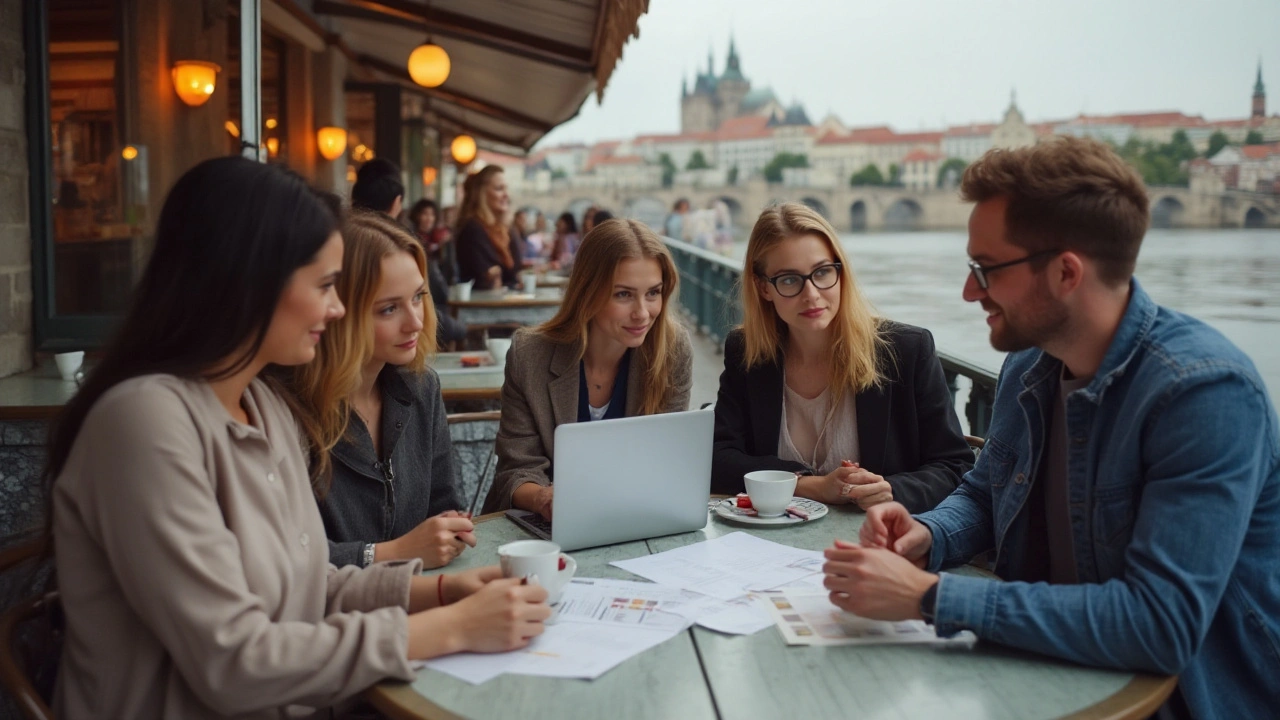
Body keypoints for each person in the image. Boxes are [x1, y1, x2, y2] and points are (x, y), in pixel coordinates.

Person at [45, 157, 550, 719]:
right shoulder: (142, 423)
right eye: (326, 286)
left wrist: (437, 593)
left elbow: (305, 586)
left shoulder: (262, 406)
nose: (337, 310)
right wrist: (449, 628)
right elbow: (234, 663)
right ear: (251, 282)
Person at [821, 137, 1280, 720]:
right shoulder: (1031, 359)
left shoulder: (1203, 394)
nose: (969, 291)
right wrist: (928, 535)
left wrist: (929, 597)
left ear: (1066, 273)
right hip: (1040, 678)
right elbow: (986, 493)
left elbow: (1160, 626)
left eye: (985, 269)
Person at [712, 202, 973, 513]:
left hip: (875, 542)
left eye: (822, 272)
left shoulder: (905, 350)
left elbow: (954, 465)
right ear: (763, 288)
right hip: (771, 547)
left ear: (841, 270)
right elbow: (718, 457)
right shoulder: (747, 354)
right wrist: (812, 486)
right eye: (789, 279)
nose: (811, 294)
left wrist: (892, 490)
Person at [285, 210, 475, 570]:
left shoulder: (421, 387)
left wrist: (452, 531)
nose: (416, 321)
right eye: (389, 309)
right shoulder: (290, 407)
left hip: (419, 599)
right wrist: (392, 553)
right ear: (338, 312)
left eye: (418, 297)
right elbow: (288, 559)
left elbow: (444, 504)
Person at [481, 218, 694, 517]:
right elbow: (515, 472)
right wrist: (546, 499)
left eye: (653, 293)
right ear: (588, 291)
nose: (643, 313)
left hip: (636, 520)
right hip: (546, 529)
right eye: (623, 294)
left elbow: (667, 463)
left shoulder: (672, 350)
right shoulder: (530, 355)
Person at [408, 198, 467, 348]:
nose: (429, 218)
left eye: (432, 215)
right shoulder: (409, 241)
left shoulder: (443, 240)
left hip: (444, 298)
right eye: (425, 214)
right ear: (417, 216)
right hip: (423, 299)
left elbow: (451, 271)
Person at [455, 165, 522, 290]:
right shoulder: (473, 229)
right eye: (499, 189)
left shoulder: (503, 230)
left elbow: (515, 271)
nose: (506, 195)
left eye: (506, 189)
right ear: (482, 194)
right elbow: (486, 280)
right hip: (481, 306)